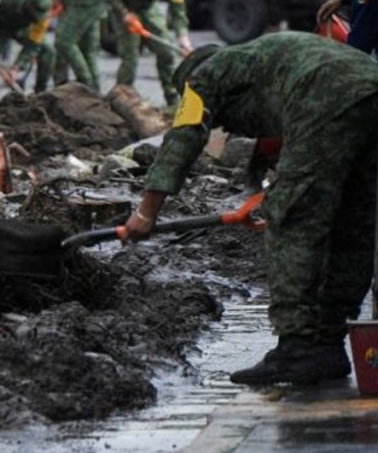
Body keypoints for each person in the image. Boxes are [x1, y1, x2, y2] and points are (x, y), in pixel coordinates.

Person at [124, 32, 378, 386]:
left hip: (325, 95)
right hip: (369, 85)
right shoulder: (255, 62)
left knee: (291, 218)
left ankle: (298, 348)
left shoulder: (202, 78)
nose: (226, 127)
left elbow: (183, 136)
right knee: (352, 218)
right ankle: (328, 343)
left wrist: (145, 213)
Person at [105, 0, 193, 107]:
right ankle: (120, 98)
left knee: (167, 52)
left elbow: (177, 8)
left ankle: (173, 101)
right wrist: (124, 13)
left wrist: (183, 38)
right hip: (126, 8)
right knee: (130, 56)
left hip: (148, 8)